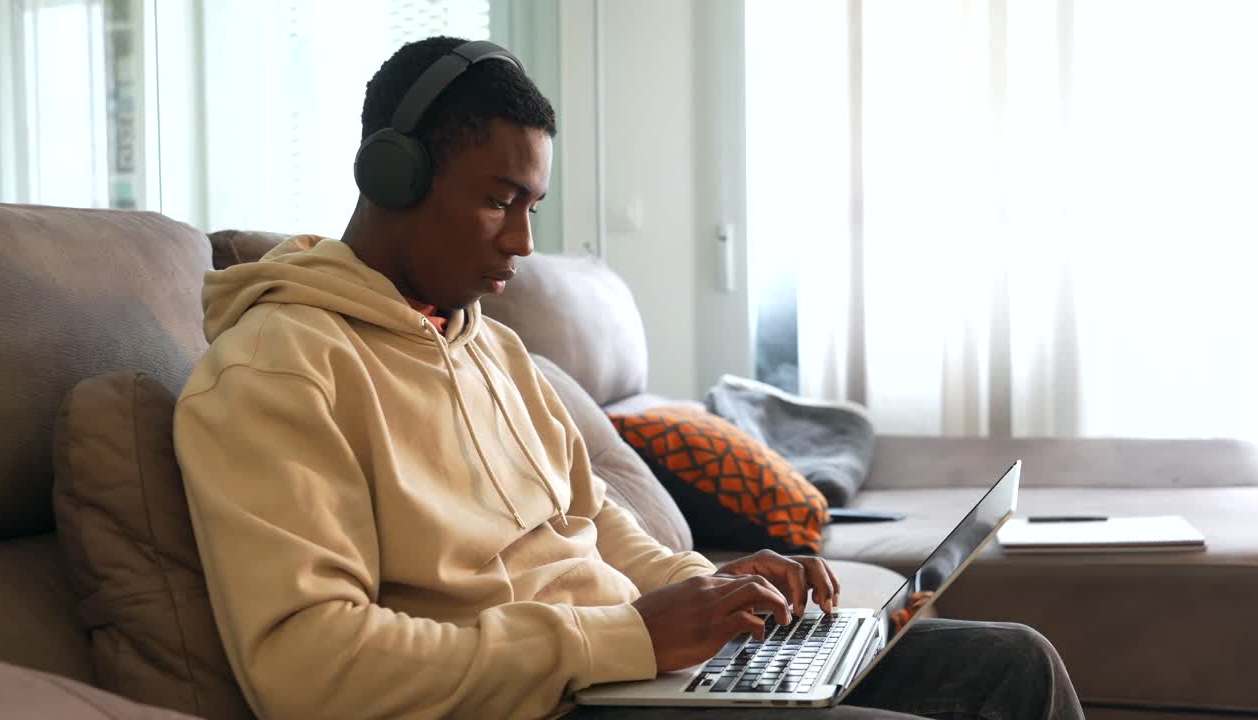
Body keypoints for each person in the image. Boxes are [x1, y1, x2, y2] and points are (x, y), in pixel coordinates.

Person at [173, 35, 1084, 720]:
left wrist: (721, 599)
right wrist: (631, 637)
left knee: (1017, 663)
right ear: (393, 174)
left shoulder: (493, 349)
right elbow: (303, 662)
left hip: (638, 672)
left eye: (532, 206)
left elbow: (592, 521)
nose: (524, 245)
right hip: (547, 700)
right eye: (498, 201)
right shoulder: (275, 370)